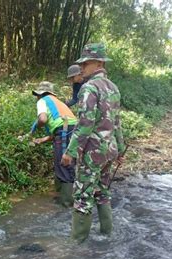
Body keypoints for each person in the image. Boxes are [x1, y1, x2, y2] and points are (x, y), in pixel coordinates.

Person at [61, 43, 126, 243]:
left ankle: (76, 244)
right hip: (110, 151)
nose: (82, 68)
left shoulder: (89, 88)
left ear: (98, 63)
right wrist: (121, 150)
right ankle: (106, 234)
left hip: (92, 153)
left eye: (86, 63)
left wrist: (70, 152)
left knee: (82, 197)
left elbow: (85, 124)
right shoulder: (113, 87)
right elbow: (117, 123)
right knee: (103, 192)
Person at [29, 81, 78, 207]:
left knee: (63, 164)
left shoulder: (42, 101)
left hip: (65, 132)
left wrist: (39, 127)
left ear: (40, 94)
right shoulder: (59, 103)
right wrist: (42, 139)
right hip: (73, 132)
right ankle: (62, 196)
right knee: (66, 163)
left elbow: (43, 119)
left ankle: (66, 202)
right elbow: (61, 127)